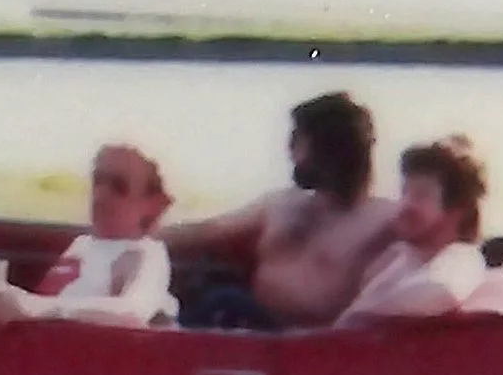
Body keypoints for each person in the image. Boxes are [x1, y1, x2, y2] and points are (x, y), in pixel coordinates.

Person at [159, 90, 402, 329]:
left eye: (298, 142)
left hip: (313, 343)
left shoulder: (386, 221)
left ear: (332, 150)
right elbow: (209, 231)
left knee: (224, 301)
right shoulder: (283, 204)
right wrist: (133, 239)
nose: (291, 153)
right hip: (247, 324)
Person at [0, 143, 177, 327]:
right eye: (98, 180)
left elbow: (133, 311)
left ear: (152, 204)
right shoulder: (82, 245)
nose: (101, 194)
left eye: (119, 187)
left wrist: (35, 307)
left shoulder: (144, 254)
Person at [336, 135, 491, 323]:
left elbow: (439, 293)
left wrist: (361, 315)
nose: (405, 205)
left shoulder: (462, 258)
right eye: (404, 193)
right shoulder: (405, 262)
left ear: (456, 211)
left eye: (421, 195)